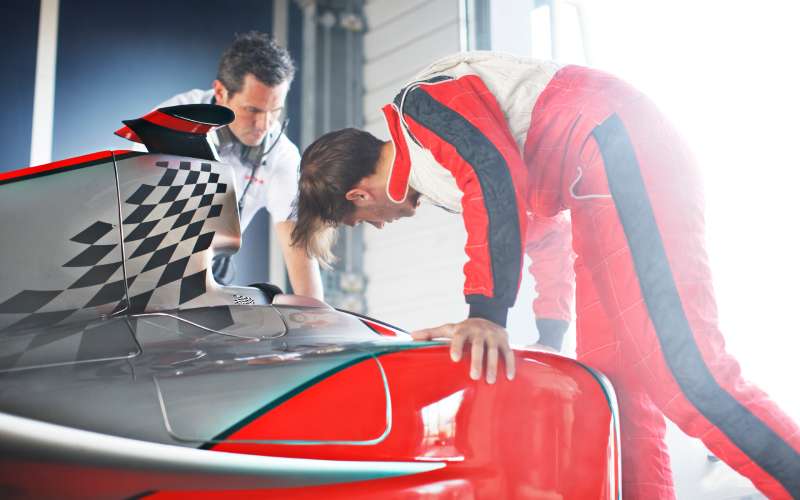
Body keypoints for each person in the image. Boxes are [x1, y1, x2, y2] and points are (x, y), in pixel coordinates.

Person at [289, 51, 800, 499]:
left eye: (362, 221)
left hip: (619, 149)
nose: (378, 225)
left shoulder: (419, 109)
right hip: (592, 191)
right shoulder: (436, 177)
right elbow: (541, 228)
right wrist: (551, 331)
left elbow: (494, 174)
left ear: (357, 196)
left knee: (686, 373)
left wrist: (485, 313)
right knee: (613, 394)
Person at [154, 31, 323, 298]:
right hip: (148, 255)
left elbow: (299, 247)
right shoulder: (173, 121)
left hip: (208, 275)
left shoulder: (281, 156)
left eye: (275, 111)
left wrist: (318, 324)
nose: (264, 126)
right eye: (253, 111)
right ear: (221, 92)